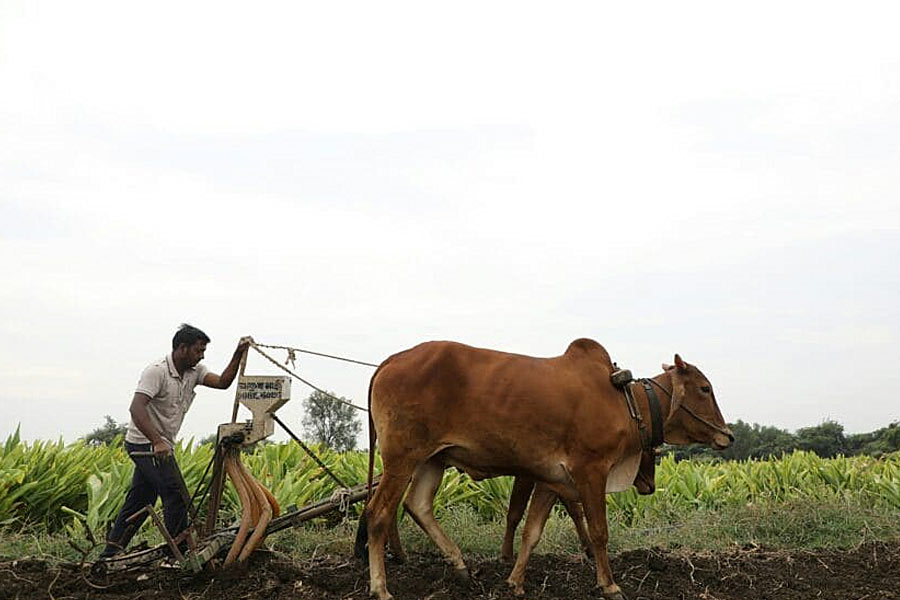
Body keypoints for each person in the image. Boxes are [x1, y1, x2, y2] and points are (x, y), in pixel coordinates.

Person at [99, 324, 252, 558]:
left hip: (162, 446)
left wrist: (238, 353)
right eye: (198, 350)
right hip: (143, 444)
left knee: (142, 499)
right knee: (175, 493)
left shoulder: (194, 371)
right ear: (182, 348)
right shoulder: (157, 372)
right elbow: (136, 408)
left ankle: (110, 554)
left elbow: (222, 382)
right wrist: (157, 441)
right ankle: (180, 553)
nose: (201, 356)